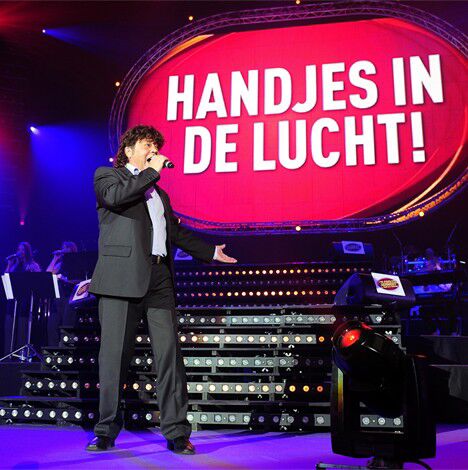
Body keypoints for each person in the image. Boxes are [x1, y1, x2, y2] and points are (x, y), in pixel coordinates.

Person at [86, 125, 237, 454]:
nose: (153, 150)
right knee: (114, 358)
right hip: (120, 279)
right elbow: (116, 198)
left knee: (169, 356)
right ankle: (106, 429)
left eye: (155, 146)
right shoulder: (108, 177)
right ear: (129, 151)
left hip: (159, 278)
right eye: (146, 145)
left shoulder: (159, 195)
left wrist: (209, 251)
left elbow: (174, 234)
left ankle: (177, 431)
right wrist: (150, 172)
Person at [46, 241, 79, 346]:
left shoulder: (76, 264)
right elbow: (48, 273)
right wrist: (55, 258)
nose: (63, 249)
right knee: (52, 326)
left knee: (66, 325)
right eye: (63, 247)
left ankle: (67, 350)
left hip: (69, 297)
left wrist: (66, 280)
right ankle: (53, 351)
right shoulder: (60, 264)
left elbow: (80, 280)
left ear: (71, 249)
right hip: (58, 298)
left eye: (66, 248)